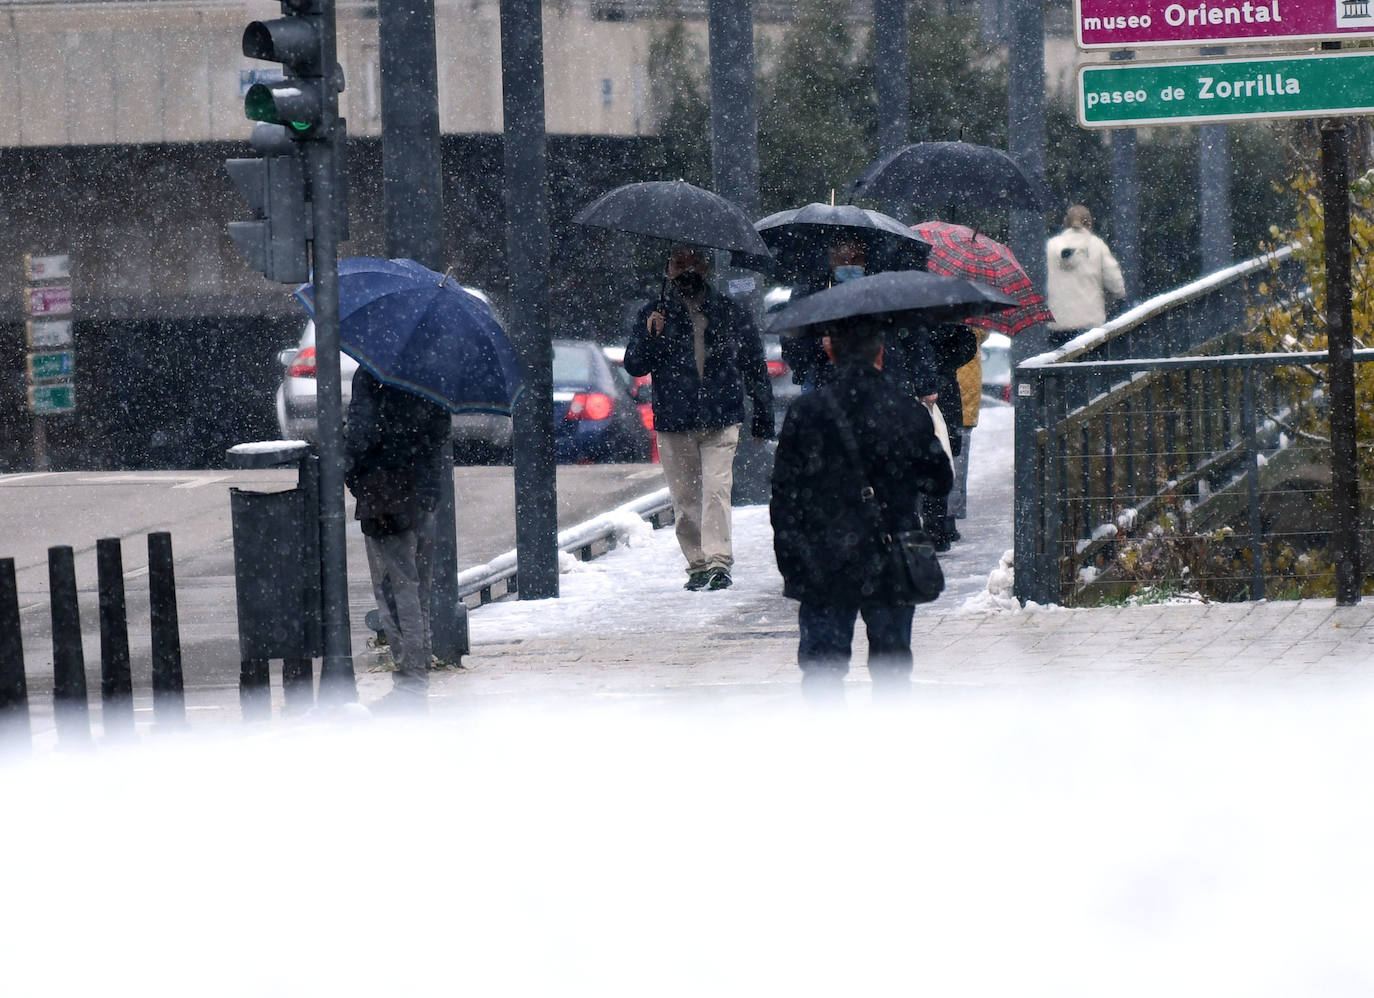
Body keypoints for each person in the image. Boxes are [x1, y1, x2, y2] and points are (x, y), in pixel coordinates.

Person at [770, 319, 952, 700]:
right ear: (881, 353)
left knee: (822, 669)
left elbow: (785, 495)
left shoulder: (806, 412)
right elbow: (939, 482)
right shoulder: (906, 410)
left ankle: (829, 745)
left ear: (830, 350)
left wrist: (792, 557)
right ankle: (888, 744)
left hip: (823, 557)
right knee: (892, 670)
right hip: (890, 553)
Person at [624, 245, 775, 591]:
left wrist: (763, 413)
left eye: (694, 262)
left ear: (706, 268)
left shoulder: (727, 311)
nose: (687, 270)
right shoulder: (654, 313)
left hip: (721, 417)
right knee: (685, 499)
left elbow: (753, 363)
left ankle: (719, 561)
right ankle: (697, 563)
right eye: (679, 263)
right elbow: (635, 364)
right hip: (675, 419)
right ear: (669, 269)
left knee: (717, 491)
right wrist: (651, 336)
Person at [344, 368, 452, 711]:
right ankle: (417, 678)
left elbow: (362, 436)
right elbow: (438, 432)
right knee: (419, 592)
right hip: (424, 495)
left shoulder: (373, 374)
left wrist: (346, 462)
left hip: (386, 496)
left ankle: (410, 684)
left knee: (394, 589)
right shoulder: (431, 373)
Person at [780, 236, 869, 393]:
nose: (850, 265)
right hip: (820, 379)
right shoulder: (809, 290)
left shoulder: (873, 291)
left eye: (856, 259)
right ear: (832, 259)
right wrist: (821, 345)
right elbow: (791, 337)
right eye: (843, 259)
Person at [1045, 204, 1126, 346]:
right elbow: (1114, 281)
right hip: (1089, 324)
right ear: (1089, 223)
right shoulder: (1097, 245)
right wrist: (1120, 295)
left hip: (1059, 323)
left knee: (1060, 365)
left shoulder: (1052, 246)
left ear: (1066, 222)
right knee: (1089, 366)